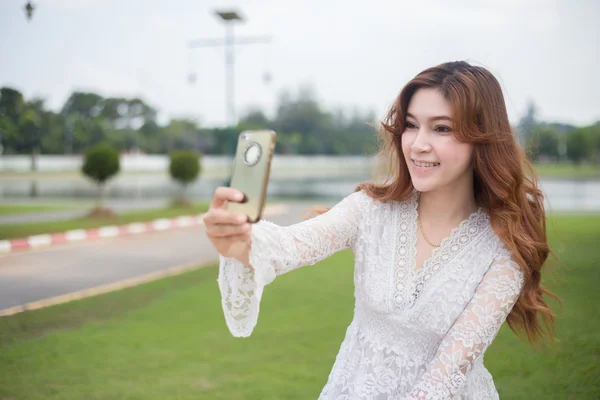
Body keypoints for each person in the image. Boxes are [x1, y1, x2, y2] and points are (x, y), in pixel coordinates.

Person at [204, 61, 557, 399]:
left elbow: (447, 373)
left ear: (482, 138)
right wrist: (240, 241)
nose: (418, 144)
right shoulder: (371, 210)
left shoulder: (503, 247)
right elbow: (290, 245)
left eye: (442, 128)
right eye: (411, 124)